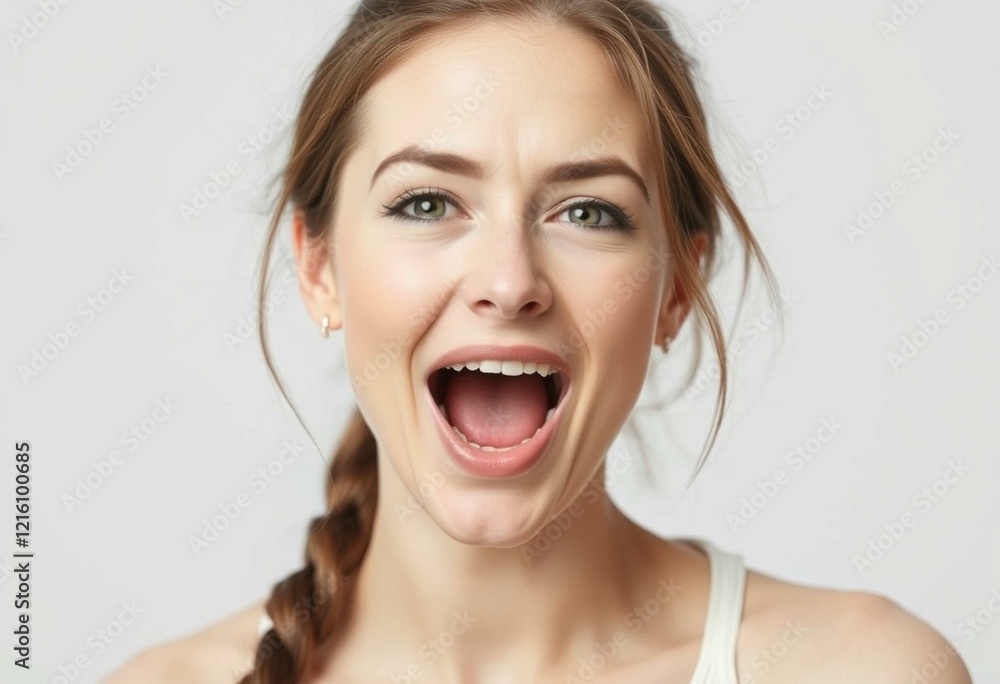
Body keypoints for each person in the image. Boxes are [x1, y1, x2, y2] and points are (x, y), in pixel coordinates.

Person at [107, 1, 973, 682]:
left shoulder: (867, 671)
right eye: (427, 204)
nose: (510, 279)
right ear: (319, 266)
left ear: (678, 288)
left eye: (588, 212)